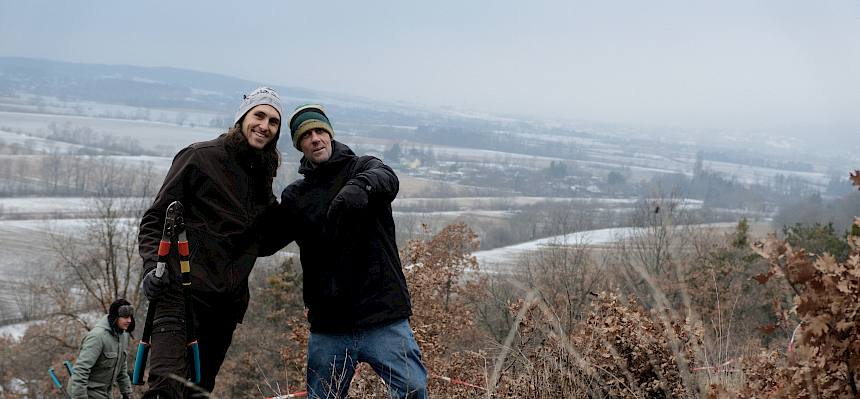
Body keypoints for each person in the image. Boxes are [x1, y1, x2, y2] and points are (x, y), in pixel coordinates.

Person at [269, 104, 427, 398]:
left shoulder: (363, 167)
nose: (315, 139)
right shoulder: (296, 196)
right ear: (299, 145)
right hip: (330, 325)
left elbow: (387, 178)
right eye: (306, 136)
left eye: (320, 131)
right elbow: (267, 241)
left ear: (329, 133)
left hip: (383, 317)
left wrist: (359, 187)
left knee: (413, 389)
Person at [137, 86, 283, 398]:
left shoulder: (262, 176)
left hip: (223, 308)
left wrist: (306, 206)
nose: (265, 125)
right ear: (242, 118)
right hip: (179, 292)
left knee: (198, 391)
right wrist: (151, 269)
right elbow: (155, 220)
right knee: (165, 388)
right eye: (259, 115)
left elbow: (263, 243)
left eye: (273, 121)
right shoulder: (199, 157)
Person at [68, 299, 135, 399]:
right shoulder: (97, 337)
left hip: (106, 394)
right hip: (87, 393)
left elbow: (122, 368)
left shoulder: (122, 336)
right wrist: (80, 397)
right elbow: (81, 370)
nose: (129, 320)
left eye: (130, 317)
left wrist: (126, 393)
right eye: (125, 317)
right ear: (115, 317)